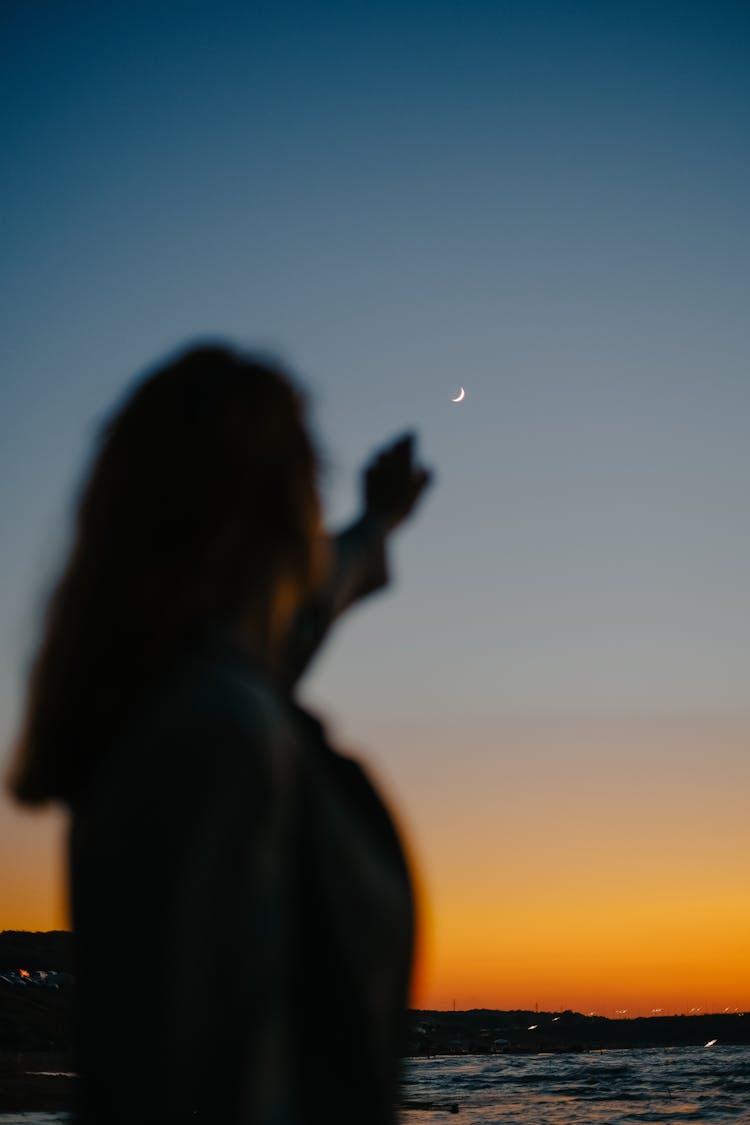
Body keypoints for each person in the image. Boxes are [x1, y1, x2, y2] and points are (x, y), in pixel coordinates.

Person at [7, 344, 432, 1124]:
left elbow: (297, 615)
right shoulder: (211, 733)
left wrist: (377, 522)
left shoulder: (190, 684)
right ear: (271, 508)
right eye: (310, 475)